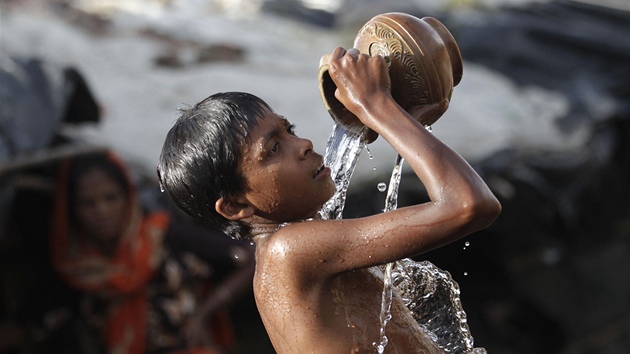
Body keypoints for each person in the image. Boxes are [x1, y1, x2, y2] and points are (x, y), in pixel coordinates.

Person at [157, 47, 501, 353]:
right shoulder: (291, 252)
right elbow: (469, 204)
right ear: (235, 207)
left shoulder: (292, 253)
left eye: (288, 129)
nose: (303, 143)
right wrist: (377, 106)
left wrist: (402, 118)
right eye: (274, 149)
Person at [49, 150, 254, 354]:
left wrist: (205, 311)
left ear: (127, 197)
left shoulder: (162, 235)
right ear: (72, 209)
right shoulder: (76, 267)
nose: (101, 211)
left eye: (111, 198)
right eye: (88, 204)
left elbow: (249, 257)